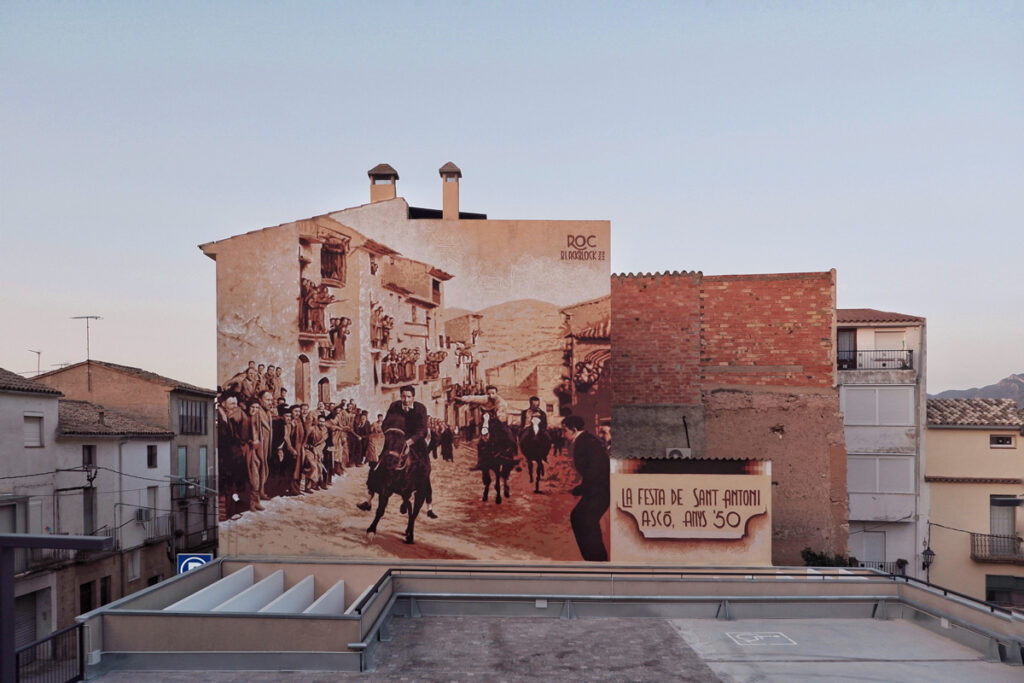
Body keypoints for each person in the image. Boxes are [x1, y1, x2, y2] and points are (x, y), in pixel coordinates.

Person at [357, 385, 428, 512]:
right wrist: (391, 436)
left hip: (413, 440)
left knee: (422, 463)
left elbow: (422, 430)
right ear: (400, 396)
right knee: (378, 462)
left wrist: (410, 441)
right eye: (403, 396)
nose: (405, 399)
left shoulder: (420, 409)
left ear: (413, 397)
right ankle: (369, 498)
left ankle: (418, 487)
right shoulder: (394, 406)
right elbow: (386, 424)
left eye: (408, 397)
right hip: (396, 439)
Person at [563, 415, 609, 561]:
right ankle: (595, 558)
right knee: (582, 518)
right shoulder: (585, 440)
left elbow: (595, 469)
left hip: (601, 489)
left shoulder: (584, 443)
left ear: (574, 430)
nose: (563, 435)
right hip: (598, 487)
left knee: (583, 519)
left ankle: (596, 560)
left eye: (565, 431)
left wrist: (581, 489)